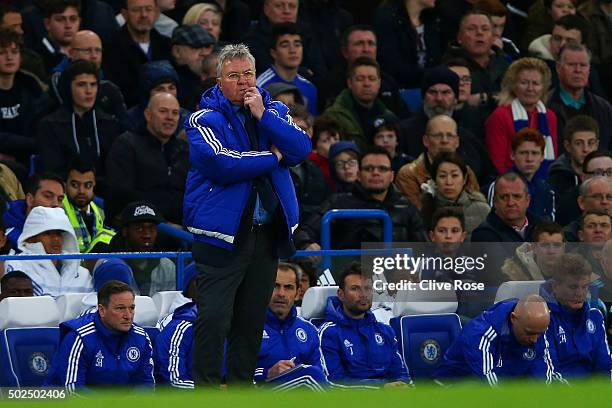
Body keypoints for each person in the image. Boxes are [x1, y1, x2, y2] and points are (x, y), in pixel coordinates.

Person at [184, 43, 310, 386]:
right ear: (219, 80)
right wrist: (272, 158)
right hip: (221, 237)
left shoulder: (274, 112)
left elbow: (300, 149)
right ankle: (207, 392)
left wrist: (264, 117)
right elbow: (222, 163)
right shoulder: (202, 119)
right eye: (233, 75)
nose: (243, 82)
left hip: (266, 235)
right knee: (214, 319)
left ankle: (241, 390)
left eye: (248, 74)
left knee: (251, 322)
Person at [294, 146, 427, 252]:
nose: (376, 173)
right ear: (358, 175)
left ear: (392, 176)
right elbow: (303, 233)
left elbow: (424, 249)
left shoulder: (406, 207)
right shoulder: (338, 203)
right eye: (369, 168)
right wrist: (307, 244)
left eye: (382, 169)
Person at [45, 280, 154, 392]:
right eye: (120, 308)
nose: (128, 316)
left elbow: (146, 384)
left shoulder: (141, 338)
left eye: (131, 308)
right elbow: (73, 391)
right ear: (102, 310)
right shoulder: (79, 337)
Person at [318, 262, 412, 387]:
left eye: (367, 288)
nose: (363, 294)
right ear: (341, 294)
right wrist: (380, 389)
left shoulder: (385, 330)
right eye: (355, 289)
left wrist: (402, 386)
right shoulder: (328, 333)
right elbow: (333, 383)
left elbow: (401, 374)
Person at [398, 66, 496, 184]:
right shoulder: (403, 131)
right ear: (423, 97)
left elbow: (489, 177)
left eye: (446, 92)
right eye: (433, 92)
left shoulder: (468, 136)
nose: (439, 98)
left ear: (455, 99)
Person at [435, 294, 563, 384]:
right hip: (454, 387)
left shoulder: (535, 327)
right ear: (513, 318)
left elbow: (544, 373)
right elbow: (489, 383)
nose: (535, 340)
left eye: (539, 334)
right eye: (530, 333)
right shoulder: (480, 335)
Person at [105, 92, 189, 225]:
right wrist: (162, 222)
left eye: (175, 113)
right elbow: (121, 194)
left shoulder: (185, 150)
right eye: (163, 111)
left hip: (181, 227)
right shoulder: (126, 145)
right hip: (141, 225)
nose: (170, 118)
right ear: (148, 115)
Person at [36, 59, 119, 180]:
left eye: (93, 84)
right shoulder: (49, 126)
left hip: (103, 192)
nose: (89, 91)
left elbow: (114, 170)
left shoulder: (109, 124)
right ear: (68, 88)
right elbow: (52, 170)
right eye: (81, 85)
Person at [254, 263, 327, 389]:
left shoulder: (309, 330)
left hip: (300, 396)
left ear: (298, 293)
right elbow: (229, 374)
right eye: (275, 286)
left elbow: (320, 372)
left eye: (288, 287)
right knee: (310, 377)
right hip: (257, 394)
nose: (281, 293)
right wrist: (267, 373)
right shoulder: (246, 327)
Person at [539, 253, 612, 378]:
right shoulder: (542, 318)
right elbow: (549, 372)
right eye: (573, 287)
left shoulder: (595, 316)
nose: (580, 293)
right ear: (555, 287)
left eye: (584, 287)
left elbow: (605, 365)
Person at [317, 24, 409, 119]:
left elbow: (404, 119)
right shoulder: (330, 83)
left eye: (371, 43)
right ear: (345, 52)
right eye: (359, 44)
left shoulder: (388, 82)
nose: (366, 49)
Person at [485, 57, 558, 175]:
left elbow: (552, 159)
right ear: (513, 85)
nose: (530, 89)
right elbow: (497, 163)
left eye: (535, 83)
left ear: (543, 88)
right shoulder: (500, 116)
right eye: (524, 83)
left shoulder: (550, 117)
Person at [395, 114, 481, 209]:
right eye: (437, 136)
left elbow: (476, 210)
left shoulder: (467, 171)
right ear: (425, 140)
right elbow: (418, 217)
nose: (444, 141)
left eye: (450, 135)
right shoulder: (408, 174)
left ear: (457, 142)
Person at [4, 206, 93, 297]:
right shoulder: (16, 266)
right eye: (47, 234)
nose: (56, 239)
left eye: (58, 233)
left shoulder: (83, 274)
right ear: (31, 237)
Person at [47, 30, 128, 127]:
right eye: (88, 50)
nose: (94, 56)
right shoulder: (58, 80)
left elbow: (123, 121)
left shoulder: (109, 84)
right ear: (71, 53)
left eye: (98, 50)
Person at [103, 0, 172, 107]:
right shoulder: (111, 48)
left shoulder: (167, 46)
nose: (143, 15)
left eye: (148, 9)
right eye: (136, 10)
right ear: (124, 14)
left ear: (157, 12)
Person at [99, 201, 175, 297]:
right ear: (125, 231)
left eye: (151, 228)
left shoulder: (166, 266)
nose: (147, 235)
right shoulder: (109, 267)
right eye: (139, 228)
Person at [442, 10, 510, 116]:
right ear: (459, 37)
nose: (479, 33)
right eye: (471, 29)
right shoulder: (449, 67)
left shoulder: (505, 64)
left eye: (485, 29)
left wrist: (483, 98)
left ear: (493, 37)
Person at [547, 42, 612, 152]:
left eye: (583, 65)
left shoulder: (604, 108)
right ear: (558, 68)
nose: (578, 70)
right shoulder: (545, 105)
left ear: (589, 69)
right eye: (571, 64)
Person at [323, 57, 395, 151]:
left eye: (372, 79)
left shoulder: (389, 117)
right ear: (350, 83)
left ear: (379, 83)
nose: (366, 84)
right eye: (360, 79)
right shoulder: (333, 117)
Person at [241, 0, 326, 80]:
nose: (287, 11)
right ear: (266, 9)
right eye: (279, 6)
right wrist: (304, 72)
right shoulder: (252, 40)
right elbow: (268, 72)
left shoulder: (307, 34)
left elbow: (319, 71)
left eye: (292, 6)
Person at [484, 128, 556, 220]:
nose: (529, 159)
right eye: (523, 153)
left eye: (535, 153)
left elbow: (550, 225)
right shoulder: (498, 186)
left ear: (542, 157)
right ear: (512, 155)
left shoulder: (547, 190)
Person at [0, 28, 46, 166]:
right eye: (2, 53)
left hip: (27, 161)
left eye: (14, 52)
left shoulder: (32, 87)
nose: (9, 57)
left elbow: (43, 132)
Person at [373, 0, 442, 89]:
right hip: (399, 88)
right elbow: (392, 65)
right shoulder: (387, 19)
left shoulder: (432, 19)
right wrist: (431, 76)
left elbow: (436, 59)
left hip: (430, 88)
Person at [421, 151, 490, 235]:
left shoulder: (480, 210)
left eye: (454, 176)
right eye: (442, 176)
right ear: (434, 180)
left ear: (464, 179)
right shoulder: (424, 208)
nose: (449, 182)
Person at [256, 22, 318, 115]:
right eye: (285, 45)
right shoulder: (259, 86)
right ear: (273, 53)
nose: (292, 50)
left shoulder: (310, 88)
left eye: (297, 45)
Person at [472, 172, 542, 242]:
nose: (510, 203)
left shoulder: (541, 227)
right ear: (495, 201)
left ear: (527, 200)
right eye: (504, 197)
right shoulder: (483, 234)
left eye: (517, 196)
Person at [63, 161, 115, 254]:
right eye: (75, 185)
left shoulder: (100, 212)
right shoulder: (58, 209)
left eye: (88, 185)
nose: (81, 191)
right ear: (65, 185)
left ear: (94, 186)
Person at [3, 172, 65, 250]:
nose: (56, 204)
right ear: (30, 200)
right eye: (48, 196)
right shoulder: (5, 231)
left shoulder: (63, 228)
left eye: (60, 199)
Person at [549, 115, 600, 199]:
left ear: (597, 145)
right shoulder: (556, 180)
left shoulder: (607, 174)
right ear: (568, 146)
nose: (585, 149)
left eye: (591, 143)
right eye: (578, 143)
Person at [170, 24, 216, 111]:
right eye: (196, 47)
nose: (204, 53)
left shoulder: (214, 79)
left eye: (207, 47)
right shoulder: (170, 81)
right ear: (177, 51)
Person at [502, 221, 566, 281]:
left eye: (557, 245)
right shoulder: (514, 272)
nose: (551, 251)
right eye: (545, 245)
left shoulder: (573, 269)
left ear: (563, 248)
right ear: (534, 247)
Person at [561, 173, 612, 242]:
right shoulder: (568, 235)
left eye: (609, 197)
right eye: (597, 196)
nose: (604, 201)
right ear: (581, 202)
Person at [34, 0, 81, 73]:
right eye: (60, 20)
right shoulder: (36, 57)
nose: (68, 25)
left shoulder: (86, 52)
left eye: (73, 19)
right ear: (47, 24)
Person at [308, 114, 342, 189]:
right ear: (315, 145)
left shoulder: (342, 164)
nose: (333, 144)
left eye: (336, 139)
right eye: (325, 141)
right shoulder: (310, 168)